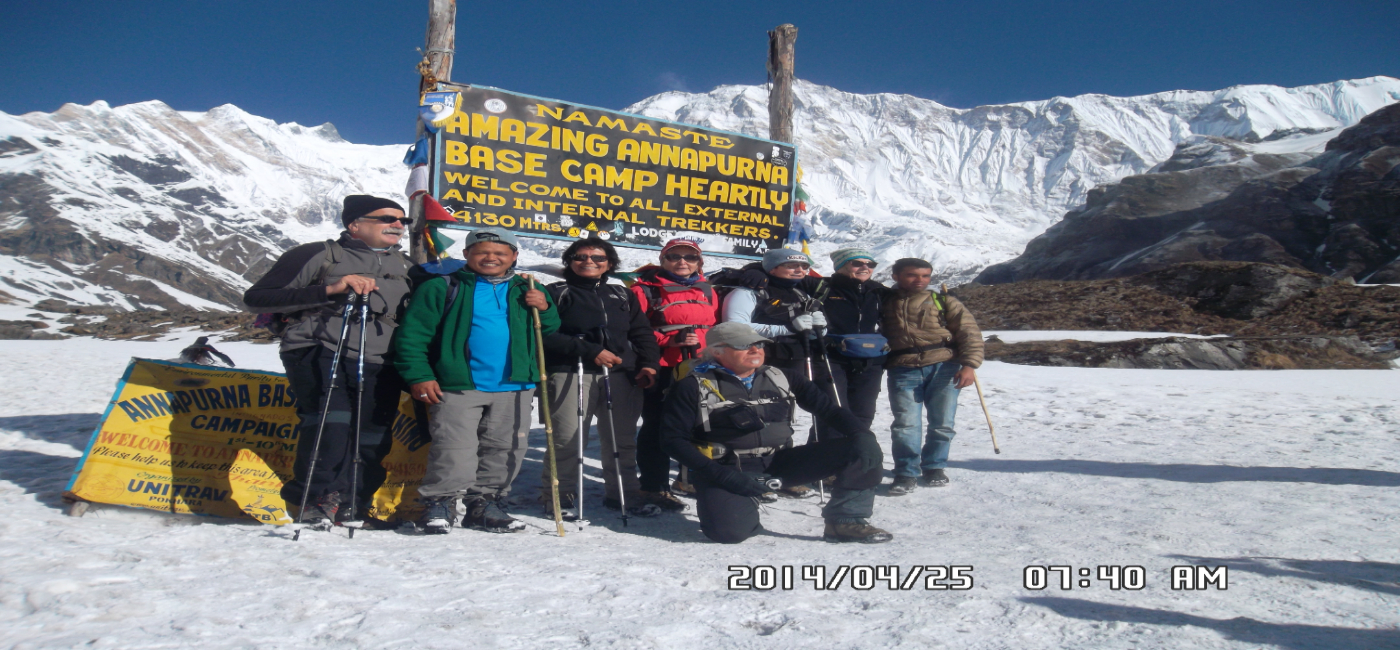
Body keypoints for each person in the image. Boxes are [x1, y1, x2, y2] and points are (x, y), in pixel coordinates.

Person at [243, 195, 413, 529]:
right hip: (318, 349)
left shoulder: (406, 266)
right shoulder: (318, 254)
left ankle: (353, 504)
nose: (397, 225)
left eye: (402, 221)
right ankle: (315, 500)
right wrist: (332, 288)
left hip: (380, 358)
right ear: (355, 225)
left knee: (372, 436)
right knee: (330, 428)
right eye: (387, 219)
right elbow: (258, 298)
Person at [659, 322, 891, 544]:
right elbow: (672, 440)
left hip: (779, 461)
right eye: (743, 345)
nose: (754, 350)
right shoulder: (692, 386)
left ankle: (845, 521)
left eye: (758, 344)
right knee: (728, 533)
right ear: (717, 352)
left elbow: (829, 410)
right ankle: (740, 505)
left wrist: (862, 434)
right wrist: (723, 477)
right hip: (726, 469)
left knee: (861, 449)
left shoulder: (783, 377)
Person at [392, 227, 559, 534]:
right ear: (467, 254)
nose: (491, 258)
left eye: (500, 253)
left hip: (516, 385)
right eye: (482, 251)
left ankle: (486, 505)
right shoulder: (442, 287)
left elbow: (546, 329)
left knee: (505, 448)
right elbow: (412, 335)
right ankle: (440, 503)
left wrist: (545, 308)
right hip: (458, 383)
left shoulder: (529, 287)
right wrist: (419, 375)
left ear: (514, 256)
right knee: (454, 448)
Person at [541, 236, 662, 517]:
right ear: (569, 261)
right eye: (581, 257)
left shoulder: (621, 293)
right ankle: (559, 497)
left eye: (598, 258)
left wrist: (649, 364)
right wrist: (590, 350)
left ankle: (625, 494)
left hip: (620, 374)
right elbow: (546, 334)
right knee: (567, 439)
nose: (589, 262)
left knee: (621, 440)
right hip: (571, 371)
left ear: (609, 264)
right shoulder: (556, 291)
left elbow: (641, 332)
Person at [719, 248, 826, 498]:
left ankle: (781, 473)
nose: (799, 270)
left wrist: (820, 327)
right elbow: (735, 325)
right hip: (756, 360)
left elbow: (805, 328)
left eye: (803, 266)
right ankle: (749, 473)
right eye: (790, 265)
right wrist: (786, 328)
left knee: (783, 418)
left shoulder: (801, 293)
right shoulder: (748, 292)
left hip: (795, 359)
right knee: (753, 414)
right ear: (772, 267)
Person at [881, 258, 985, 496]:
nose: (920, 280)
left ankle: (934, 467)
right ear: (895, 276)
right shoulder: (882, 301)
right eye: (912, 275)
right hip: (903, 366)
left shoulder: (944, 301)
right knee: (906, 424)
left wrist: (969, 365)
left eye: (925, 276)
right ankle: (906, 472)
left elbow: (969, 333)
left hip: (945, 365)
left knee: (942, 423)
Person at [630, 238, 720, 509]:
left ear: (699, 262)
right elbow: (634, 330)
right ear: (663, 260)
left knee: (700, 422)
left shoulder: (707, 290)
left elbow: (713, 326)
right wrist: (667, 341)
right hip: (663, 366)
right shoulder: (644, 290)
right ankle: (653, 486)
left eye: (690, 257)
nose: (682, 262)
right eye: (674, 256)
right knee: (658, 425)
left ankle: (689, 477)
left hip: (701, 365)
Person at [805, 247, 888, 436]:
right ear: (840, 265)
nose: (865, 267)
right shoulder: (821, 287)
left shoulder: (879, 292)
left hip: (870, 360)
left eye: (870, 264)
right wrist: (754, 270)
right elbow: (780, 273)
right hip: (829, 358)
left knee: (864, 414)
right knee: (832, 412)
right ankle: (824, 461)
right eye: (857, 263)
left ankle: (853, 456)